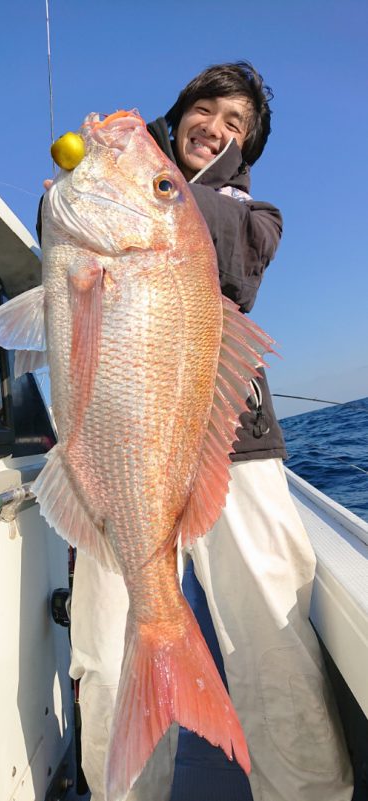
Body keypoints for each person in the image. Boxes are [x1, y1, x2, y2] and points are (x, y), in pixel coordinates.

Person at [42, 61, 354, 801]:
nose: (214, 127)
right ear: (180, 113)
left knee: (271, 641)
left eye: (235, 124)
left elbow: (228, 253)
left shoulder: (254, 216)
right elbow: (73, 240)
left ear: (246, 148)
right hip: (115, 460)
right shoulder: (113, 209)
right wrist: (105, 175)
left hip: (235, 451)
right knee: (108, 661)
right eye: (204, 110)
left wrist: (142, 174)